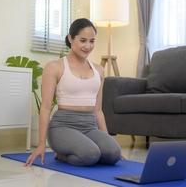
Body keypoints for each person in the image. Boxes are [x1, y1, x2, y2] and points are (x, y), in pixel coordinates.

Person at [25, 18, 121, 166]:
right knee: (90, 155)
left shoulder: (99, 70)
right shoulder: (55, 67)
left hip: (89, 126)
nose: (88, 46)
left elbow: (98, 110)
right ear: (70, 38)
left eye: (92, 41)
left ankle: (86, 149)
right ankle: (62, 155)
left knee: (113, 153)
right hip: (63, 126)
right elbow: (45, 108)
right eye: (83, 40)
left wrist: (107, 141)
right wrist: (41, 144)